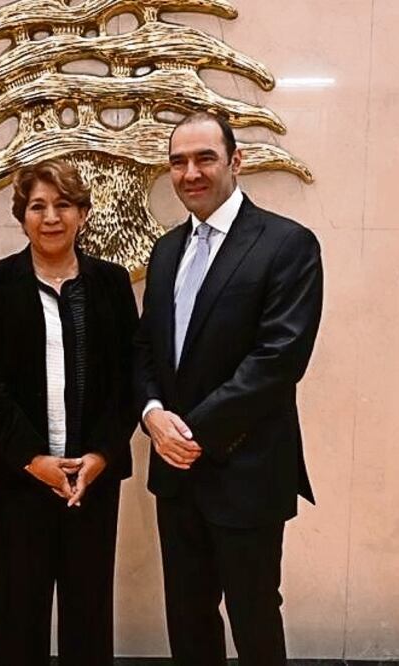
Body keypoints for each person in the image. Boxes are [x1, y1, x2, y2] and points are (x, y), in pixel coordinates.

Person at [133, 112, 323, 665]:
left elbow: (278, 359)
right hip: (176, 475)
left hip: (247, 471)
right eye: (178, 161)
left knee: (255, 618)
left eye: (204, 158)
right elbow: (146, 347)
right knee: (188, 622)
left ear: (236, 161)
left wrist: (190, 430)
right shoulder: (166, 250)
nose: (190, 172)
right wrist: (150, 414)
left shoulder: (287, 244)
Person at [0, 158, 138, 666]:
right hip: (21, 478)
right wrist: (32, 459)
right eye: (37, 206)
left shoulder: (109, 283)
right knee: (20, 618)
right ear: (22, 216)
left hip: (93, 478)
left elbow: (128, 380)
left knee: (89, 616)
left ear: (83, 213)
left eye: (63, 204)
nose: (51, 216)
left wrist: (101, 455)